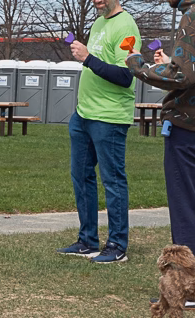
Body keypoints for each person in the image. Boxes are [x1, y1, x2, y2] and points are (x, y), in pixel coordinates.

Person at [126, 0, 195, 271]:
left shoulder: (193, 17)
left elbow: (183, 76)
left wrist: (138, 65)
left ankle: (191, 284)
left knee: (185, 209)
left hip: (188, 127)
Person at [56, 0, 141, 263]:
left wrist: (88, 58)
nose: (95, 1)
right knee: (81, 176)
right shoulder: (98, 23)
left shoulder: (127, 27)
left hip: (110, 117)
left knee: (113, 180)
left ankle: (117, 245)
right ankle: (88, 241)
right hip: (83, 115)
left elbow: (126, 75)